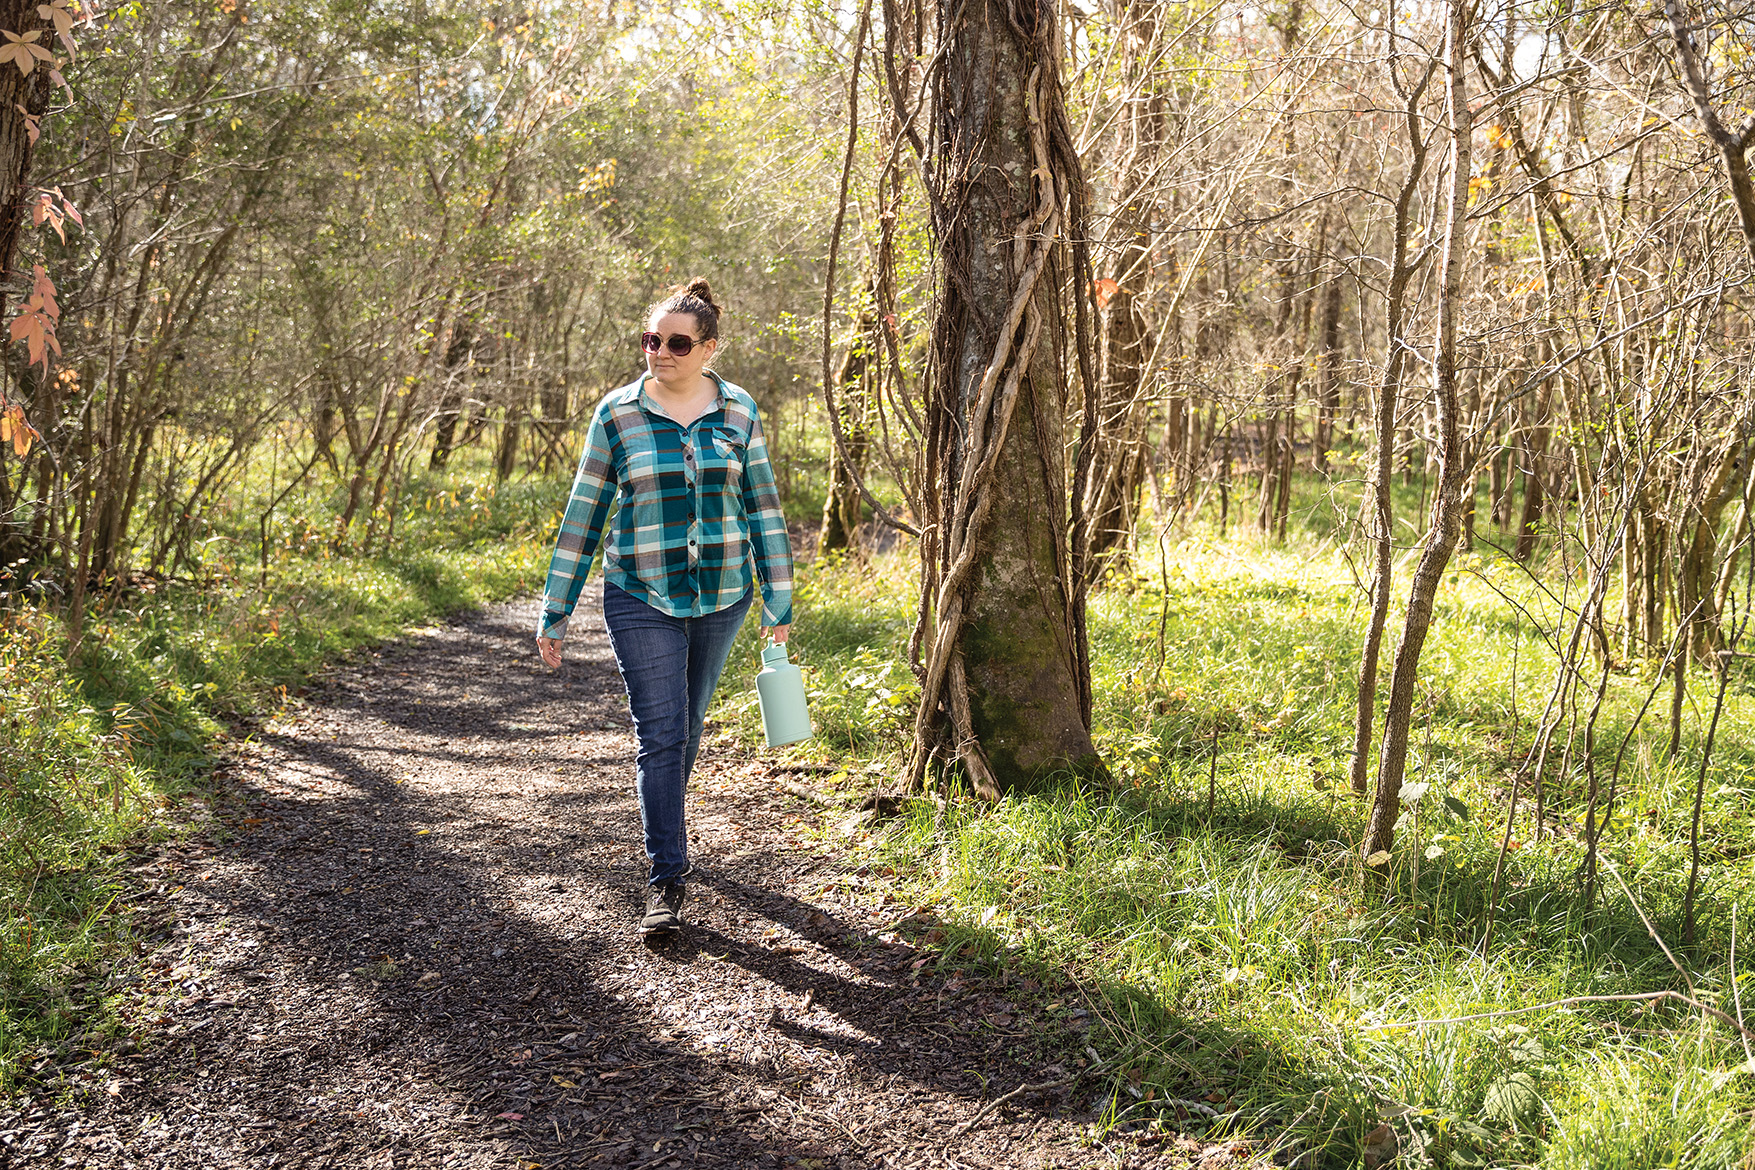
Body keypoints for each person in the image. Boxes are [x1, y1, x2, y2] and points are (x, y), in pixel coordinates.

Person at [535, 279, 794, 937]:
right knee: (662, 731)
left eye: (677, 342)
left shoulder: (739, 411)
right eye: (652, 339)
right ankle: (666, 880)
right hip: (638, 590)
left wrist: (778, 594)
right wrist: (556, 607)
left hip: (722, 594)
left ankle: (664, 828)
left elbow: (761, 506)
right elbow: (584, 512)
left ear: (708, 347)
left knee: (689, 720)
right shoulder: (616, 414)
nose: (661, 352)